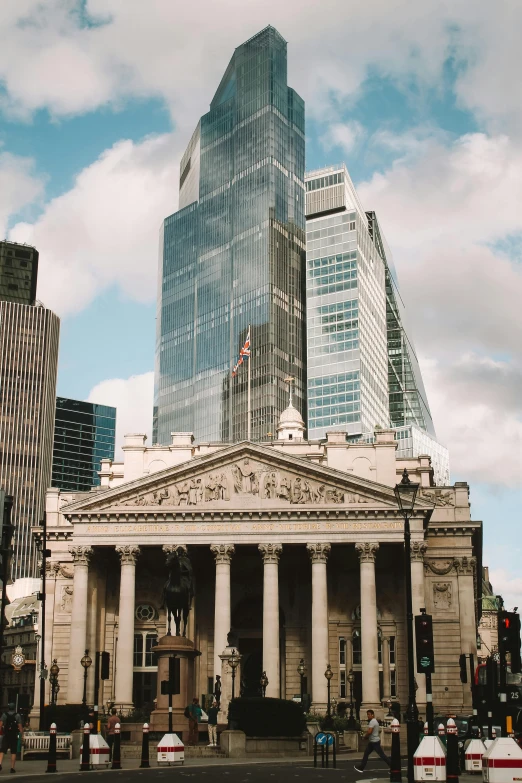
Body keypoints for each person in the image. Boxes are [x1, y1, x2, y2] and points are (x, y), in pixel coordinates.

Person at [0, 702, 23, 774]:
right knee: (13, 752)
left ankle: (0, 763)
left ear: (8, 707)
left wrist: (2, 731)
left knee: (2, 750)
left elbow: (0, 725)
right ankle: (12, 768)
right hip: (14, 735)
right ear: (14, 708)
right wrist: (21, 735)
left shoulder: (4, 715)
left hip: (6, 735)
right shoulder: (17, 716)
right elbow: (20, 728)